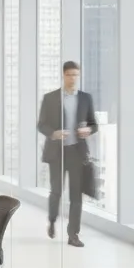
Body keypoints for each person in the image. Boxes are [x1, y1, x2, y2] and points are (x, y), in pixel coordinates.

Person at [37, 61, 98, 247]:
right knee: (56, 191)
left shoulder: (86, 98)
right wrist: (53, 134)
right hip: (57, 152)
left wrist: (88, 130)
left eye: (76, 75)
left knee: (76, 196)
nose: (73, 78)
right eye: (70, 74)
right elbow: (41, 124)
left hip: (77, 153)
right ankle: (53, 220)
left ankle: (73, 235)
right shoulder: (50, 98)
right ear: (63, 75)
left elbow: (94, 124)